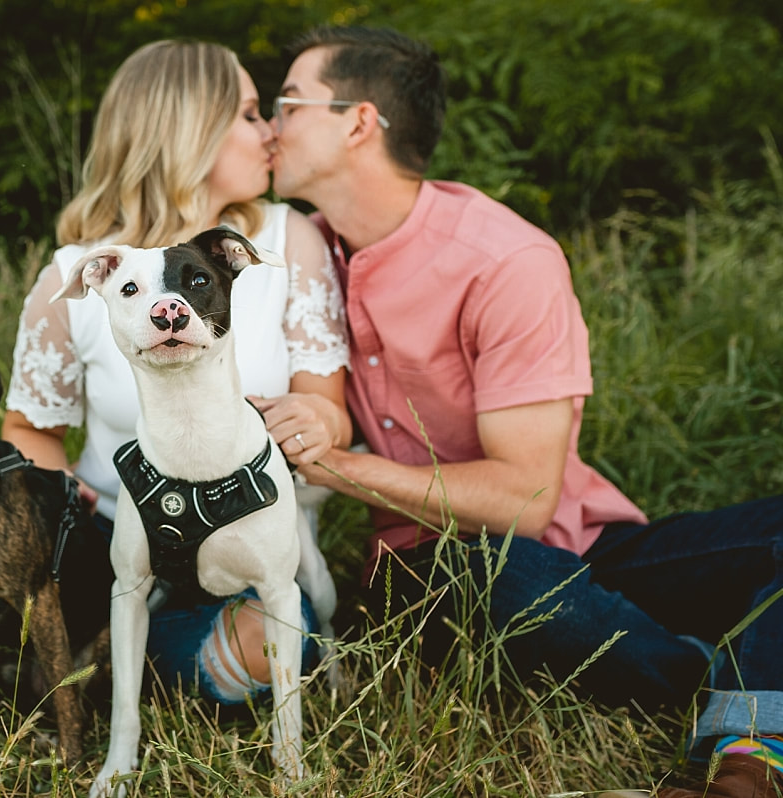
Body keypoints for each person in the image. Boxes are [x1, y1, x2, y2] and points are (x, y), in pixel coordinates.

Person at [268, 24, 783, 796]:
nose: (269, 127)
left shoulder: (503, 260)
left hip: (580, 540)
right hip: (439, 572)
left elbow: (529, 500)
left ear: (358, 121)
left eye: (286, 105)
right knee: (492, 575)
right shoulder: (292, 255)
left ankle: (743, 740)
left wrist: (335, 466)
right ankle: (722, 676)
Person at [0, 39, 352, 708]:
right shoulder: (78, 273)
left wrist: (315, 420)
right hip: (102, 547)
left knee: (266, 646)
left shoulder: (287, 244)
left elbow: (330, 408)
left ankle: (109, 664)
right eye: (249, 113)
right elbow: (29, 430)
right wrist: (56, 490)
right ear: (188, 131)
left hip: (243, 542)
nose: (269, 133)